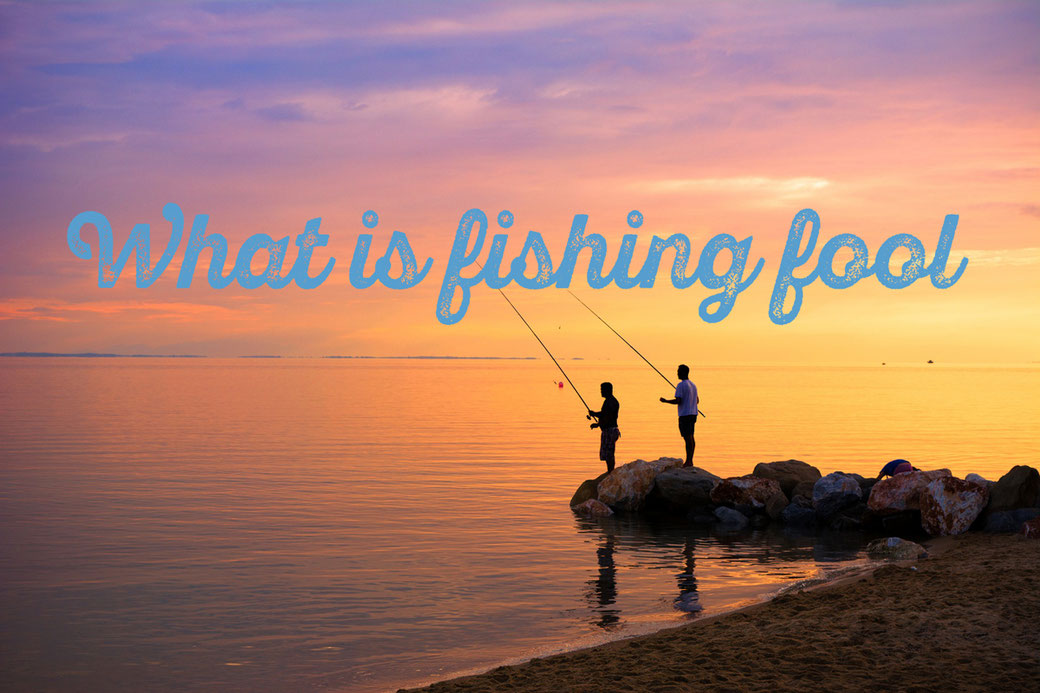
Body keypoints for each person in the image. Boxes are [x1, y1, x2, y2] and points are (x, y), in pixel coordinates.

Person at [660, 364, 698, 468]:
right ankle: (690, 460)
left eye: (678, 371)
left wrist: (665, 401)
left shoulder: (680, 385)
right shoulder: (693, 385)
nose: (677, 373)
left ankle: (688, 461)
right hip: (693, 414)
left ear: (683, 372)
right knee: (691, 437)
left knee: (687, 438)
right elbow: (697, 400)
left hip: (685, 415)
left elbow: (678, 400)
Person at [588, 382, 620, 473]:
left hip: (610, 431)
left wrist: (594, 414)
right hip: (609, 430)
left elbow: (607, 415)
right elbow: (605, 416)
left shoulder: (611, 402)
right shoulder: (609, 401)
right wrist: (598, 424)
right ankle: (610, 471)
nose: (601, 392)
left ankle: (611, 472)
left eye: (602, 390)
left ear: (608, 390)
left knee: (609, 454)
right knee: (607, 453)